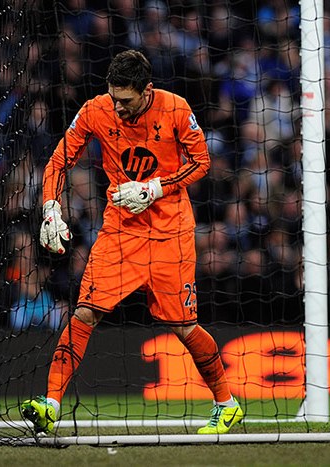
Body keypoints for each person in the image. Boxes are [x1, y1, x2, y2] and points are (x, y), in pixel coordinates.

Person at [21, 50, 244, 435]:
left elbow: (202, 160)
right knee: (85, 312)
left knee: (184, 328)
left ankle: (226, 404)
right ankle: (51, 404)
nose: (119, 108)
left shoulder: (175, 108)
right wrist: (51, 209)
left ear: (147, 90)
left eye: (126, 100)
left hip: (170, 233)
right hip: (120, 232)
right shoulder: (96, 109)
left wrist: (155, 187)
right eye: (114, 98)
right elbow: (59, 160)